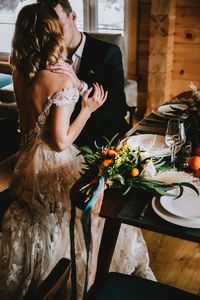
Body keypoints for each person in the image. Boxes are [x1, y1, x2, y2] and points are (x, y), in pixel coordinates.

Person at [0, 3, 155, 300]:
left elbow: (26, 124)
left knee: (40, 219)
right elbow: (60, 141)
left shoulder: (20, 71)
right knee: (82, 216)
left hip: (30, 158)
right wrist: (86, 109)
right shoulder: (60, 77)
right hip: (57, 158)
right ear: (50, 33)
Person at [38, 0, 131, 149]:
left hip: (101, 138)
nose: (54, 33)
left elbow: (117, 104)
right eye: (49, 27)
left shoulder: (108, 52)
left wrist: (80, 85)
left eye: (58, 23)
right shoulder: (44, 54)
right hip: (59, 140)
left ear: (73, 16)